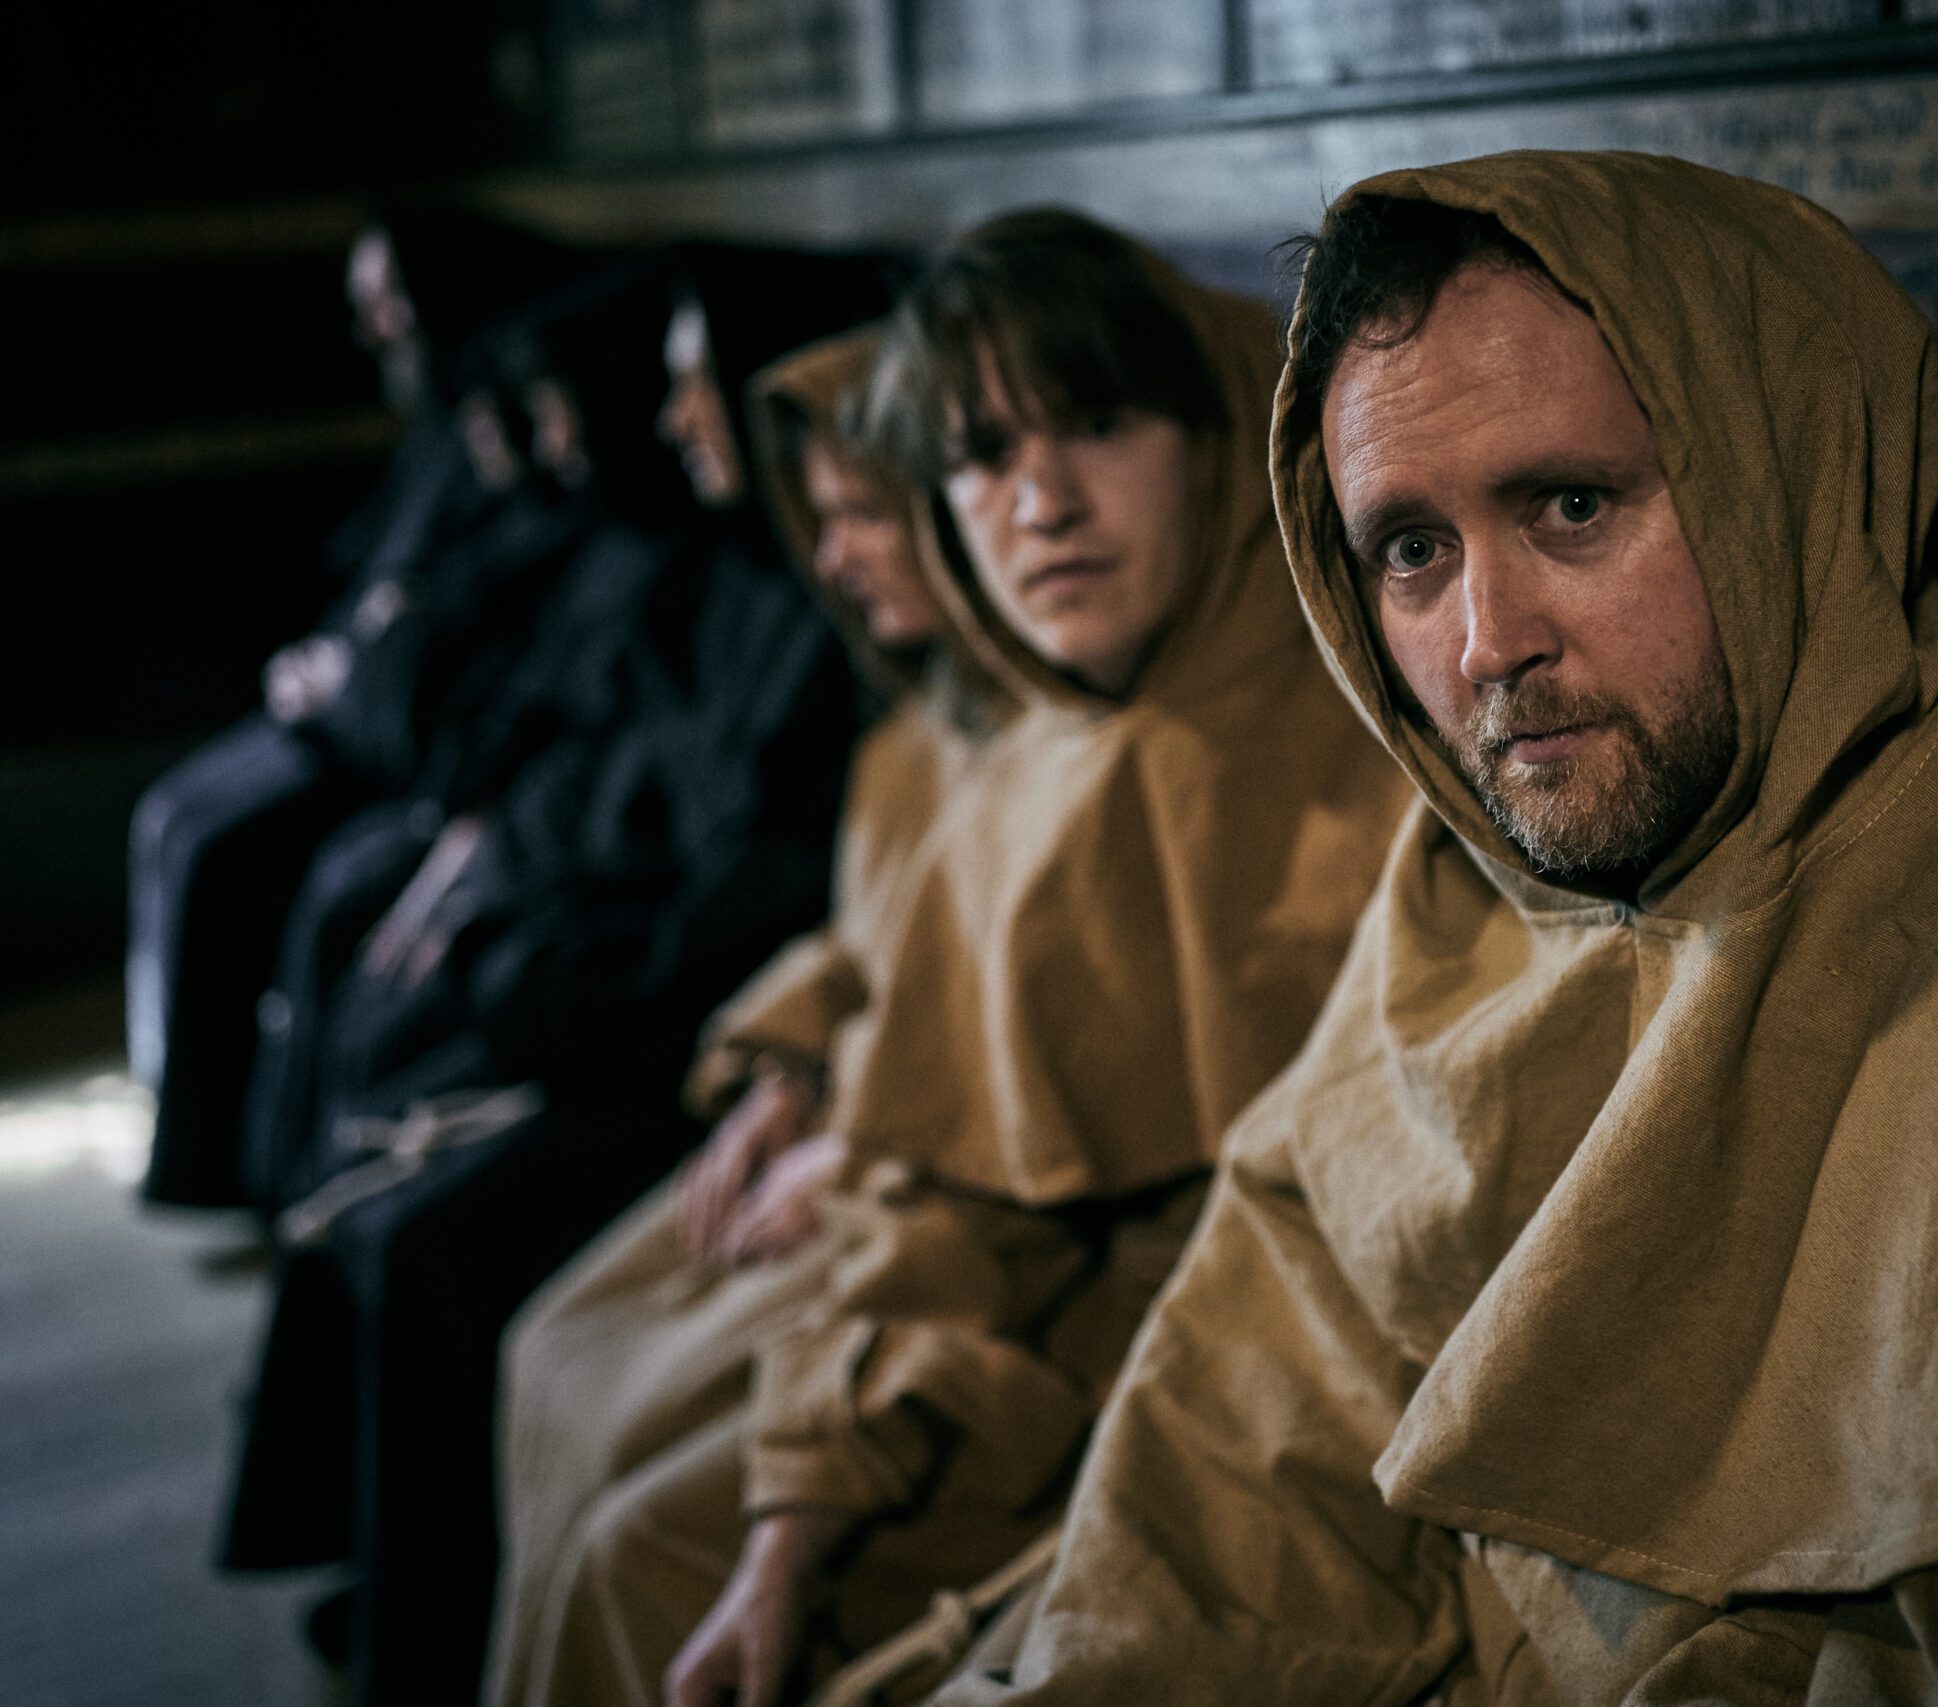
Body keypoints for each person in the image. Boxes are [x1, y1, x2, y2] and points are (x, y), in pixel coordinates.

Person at [925, 152, 1938, 1705]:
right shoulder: (1459, 906)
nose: (1486, 643)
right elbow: (1223, 1469)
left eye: (1572, 505)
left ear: (1789, 480)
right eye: (1411, 548)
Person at [486, 209, 1418, 1707]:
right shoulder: (1053, 745)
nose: (1042, 503)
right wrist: (792, 1525)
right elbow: (956, 1188)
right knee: (608, 1441)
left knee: (648, 1551)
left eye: (1098, 424)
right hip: (1006, 1327)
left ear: (1215, 429)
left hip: (1261, 1378)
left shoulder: (1381, 726)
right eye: (981, 456)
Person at [215, 252, 883, 1707]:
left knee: (449, 1243)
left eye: (700, 391)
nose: (676, 420)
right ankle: (399, 1577)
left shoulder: (841, 643)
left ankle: (428, 1622)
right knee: (400, 1113)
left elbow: (785, 899)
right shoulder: (722, 578)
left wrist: (587, 993)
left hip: (678, 1033)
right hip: (687, 1018)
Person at [128, 210, 573, 1207]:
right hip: (351, 702)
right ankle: (191, 1135)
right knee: (174, 815)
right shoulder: (440, 431)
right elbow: (374, 581)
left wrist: (362, 669)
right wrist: (334, 652)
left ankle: (244, 1167)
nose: (375, 327)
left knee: (238, 856)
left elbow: (457, 630)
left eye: (389, 300)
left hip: (394, 737)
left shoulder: (505, 441)